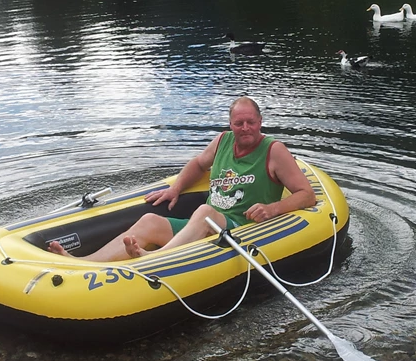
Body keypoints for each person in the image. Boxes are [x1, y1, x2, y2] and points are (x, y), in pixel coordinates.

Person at [47, 97, 315, 261]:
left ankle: (155, 259)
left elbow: (307, 194)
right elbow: (199, 164)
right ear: (230, 124)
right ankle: (84, 262)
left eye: (251, 122)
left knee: (205, 210)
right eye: (238, 123)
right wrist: (175, 188)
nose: (245, 128)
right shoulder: (223, 141)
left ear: (260, 121)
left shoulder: (274, 150)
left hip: (242, 227)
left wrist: (273, 208)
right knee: (151, 220)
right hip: (206, 225)